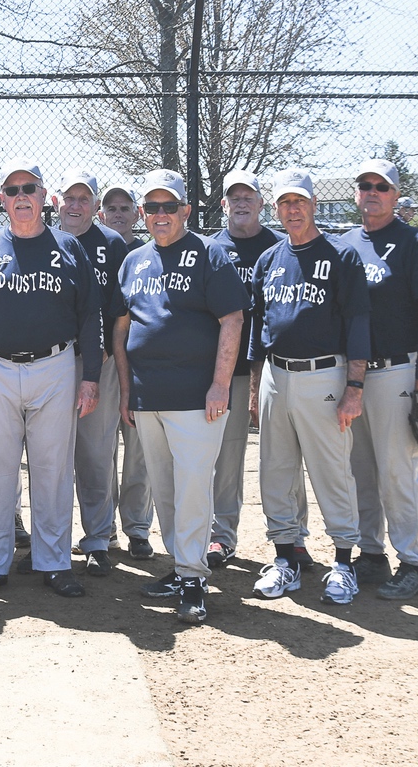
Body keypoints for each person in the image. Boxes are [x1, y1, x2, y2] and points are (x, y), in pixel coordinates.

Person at [0, 159, 101, 599]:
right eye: (13, 189)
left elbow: (90, 314)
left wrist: (90, 376)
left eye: (30, 188)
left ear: (44, 197)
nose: (21, 196)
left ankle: (54, 562)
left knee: (53, 467)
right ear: (2, 199)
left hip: (55, 366)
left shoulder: (69, 248)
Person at [113, 169, 248, 625]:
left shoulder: (210, 254)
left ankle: (194, 576)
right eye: (151, 207)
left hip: (196, 396)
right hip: (148, 396)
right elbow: (125, 328)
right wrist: (127, 392)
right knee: (165, 488)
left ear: (186, 211)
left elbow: (232, 319)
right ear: (142, 213)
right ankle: (179, 565)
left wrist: (221, 384)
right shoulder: (134, 260)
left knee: (193, 487)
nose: (160, 214)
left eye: (169, 206)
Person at [250, 168, 370, 605]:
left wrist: (354, 387)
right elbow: (259, 325)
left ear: (314, 204)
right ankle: (286, 560)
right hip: (275, 376)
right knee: (275, 470)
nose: (292, 209)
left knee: (332, 471)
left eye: (299, 201)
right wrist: (253, 386)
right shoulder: (270, 258)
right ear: (276, 208)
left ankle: (343, 563)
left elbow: (358, 324)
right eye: (284, 203)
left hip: (325, 374)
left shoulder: (341, 256)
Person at [207, 169, 311, 569]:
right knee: (227, 456)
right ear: (224, 204)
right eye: (234, 196)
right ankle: (222, 536)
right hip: (228, 372)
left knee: (284, 455)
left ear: (261, 202)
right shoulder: (211, 248)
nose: (242, 202)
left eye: (248, 195)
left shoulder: (280, 246)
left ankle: (296, 536)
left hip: (274, 370)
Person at [340, 158, 418, 599]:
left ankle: (412, 560)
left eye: (381, 186)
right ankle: (370, 554)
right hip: (352, 373)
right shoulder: (345, 243)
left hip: (398, 367)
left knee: (398, 470)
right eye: (364, 185)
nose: (372, 192)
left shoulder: (415, 242)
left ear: (395, 194)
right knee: (359, 469)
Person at [52, 169, 132, 574]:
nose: (76, 206)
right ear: (56, 200)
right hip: (50, 364)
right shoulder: (44, 240)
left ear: (96, 207)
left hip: (97, 363)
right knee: (50, 455)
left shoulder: (112, 244)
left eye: (85, 199)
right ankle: (52, 540)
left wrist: (109, 360)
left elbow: (122, 312)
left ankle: (99, 537)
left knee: (96, 452)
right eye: (70, 197)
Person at [98, 184, 154, 556]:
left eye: (125, 208)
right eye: (111, 208)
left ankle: (136, 528)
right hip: (102, 363)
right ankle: (103, 529)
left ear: (138, 214)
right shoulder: (89, 246)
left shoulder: (148, 253)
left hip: (141, 366)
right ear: (101, 214)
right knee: (100, 449)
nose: (118, 214)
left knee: (138, 449)